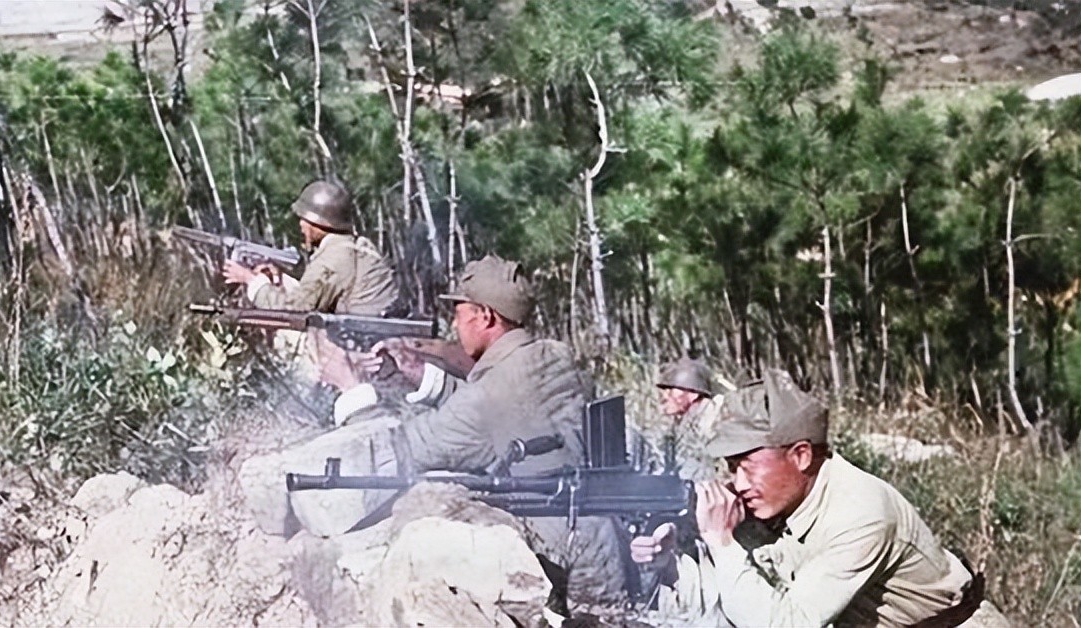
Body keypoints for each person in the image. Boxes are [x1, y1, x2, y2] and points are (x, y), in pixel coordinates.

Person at [314, 254, 630, 607]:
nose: (454, 323)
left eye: (459, 313)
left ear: (485, 316)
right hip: (602, 549)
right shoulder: (556, 356)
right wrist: (422, 374)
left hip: (555, 570)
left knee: (423, 513)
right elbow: (501, 409)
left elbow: (399, 454)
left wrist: (352, 388)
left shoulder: (484, 399)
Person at [632, 370, 1009, 627]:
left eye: (747, 466)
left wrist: (722, 542)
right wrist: (673, 563)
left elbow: (784, 623)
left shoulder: (861, 513)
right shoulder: (781, 499)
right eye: (732, 467)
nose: (738, 482)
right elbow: (736, 597)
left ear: (800, 456)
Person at [222, 180, 399, 316]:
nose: (301, 224)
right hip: (377, 334)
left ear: (319, 223)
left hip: (356, 343)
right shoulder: (360, 246)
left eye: (305, 219)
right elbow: (320, 289)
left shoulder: (331, 260)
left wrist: (252, 281)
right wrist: (281, 276)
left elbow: (294, 310)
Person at [652, 357, 723, 481]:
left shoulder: (710, 421)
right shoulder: (687, 420)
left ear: (693, 395)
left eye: (671, 390)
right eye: (665, 390)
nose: (665, 396)